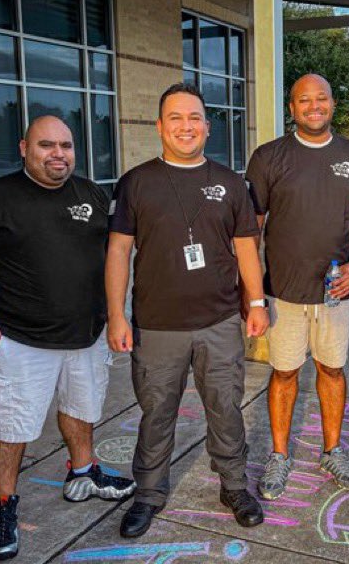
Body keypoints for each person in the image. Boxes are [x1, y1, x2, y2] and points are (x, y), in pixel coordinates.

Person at [0, 115, 135, 562]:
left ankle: (83, 473)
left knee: (82, 408)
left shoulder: (92, 194)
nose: (58, 154)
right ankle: (4, 506)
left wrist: (115, 316)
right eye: (46, 145)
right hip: (21, 341)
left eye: (66, 146)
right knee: (11, 426)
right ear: (24, 148)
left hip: (86, 336)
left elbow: (118, 252)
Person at [106, 83, 269, 538]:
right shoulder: (136, 183)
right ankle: (148, 494)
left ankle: (234, 486)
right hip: (158, 326)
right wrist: (116, 314)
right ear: (160, 126)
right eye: (175, 118)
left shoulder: (231, 183)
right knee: (157, 412)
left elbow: (246, 248)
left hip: (219, 322)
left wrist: (257, 302)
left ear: (207, 126)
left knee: (226, 408)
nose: (186, 126)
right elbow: (118, 251)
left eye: (194, 117)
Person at [245, 73, 349, 500]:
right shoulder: (268, 157)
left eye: (321, 98)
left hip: (335, 291)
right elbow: (250, 230)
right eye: (304, 100)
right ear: (292, 108)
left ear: (333, 103)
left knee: (332, 369)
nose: (314, 106)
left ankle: (332, 451)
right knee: (284, 372)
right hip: (283, 291)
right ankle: (280, 455)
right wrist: (251, 293)